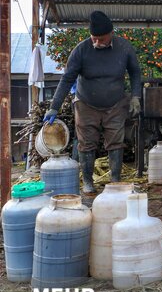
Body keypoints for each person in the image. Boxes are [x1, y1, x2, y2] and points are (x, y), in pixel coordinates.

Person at [43, 11, 141, 195]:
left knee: (116, 142)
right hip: (86, 104)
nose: (96, 42)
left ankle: (115, 181)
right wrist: (53, 107)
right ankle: (88, 181)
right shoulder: (81, 50)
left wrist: (136, 96)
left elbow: (135, 72)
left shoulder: (124, 47)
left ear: (111, 33)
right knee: (86, 143)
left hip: (115, 104)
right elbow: (66, 79)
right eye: (93, 38)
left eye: (101, 39)